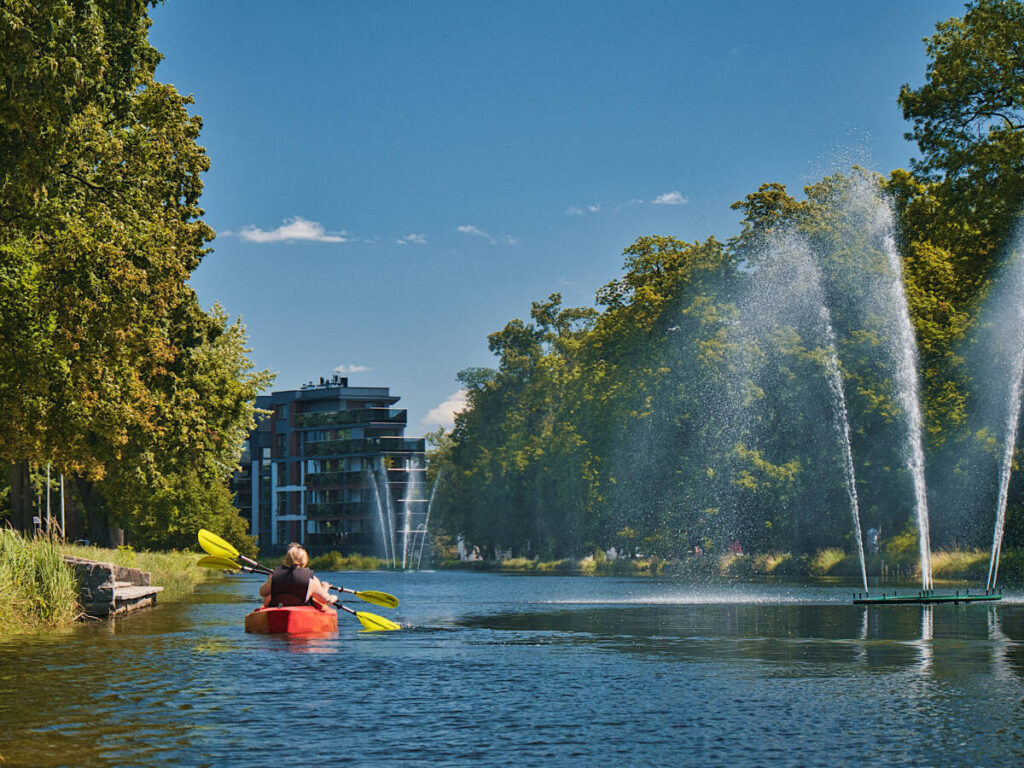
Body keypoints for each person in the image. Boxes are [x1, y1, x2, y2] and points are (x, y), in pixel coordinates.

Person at [259, 543, 337, 608]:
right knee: (319, 603)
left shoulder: (275, 576)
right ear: (304, 561)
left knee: (268, 598)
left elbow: (262, 592)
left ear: (287, 559)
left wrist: (270, 579)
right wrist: (329, 593)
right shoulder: (311, 580)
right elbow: (327, 600)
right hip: (301, 615)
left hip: (278, 610)